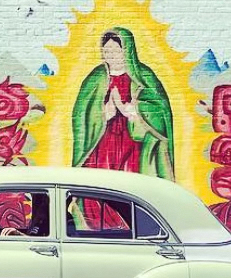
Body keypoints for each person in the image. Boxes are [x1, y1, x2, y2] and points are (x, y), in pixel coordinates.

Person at [71, 27, 175, 180]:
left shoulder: (143, 75)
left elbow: (161, 110)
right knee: (101, 179)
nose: (111, 56)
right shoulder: (96, 77)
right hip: (102, 140)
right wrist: (103, 113)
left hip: (133, 141)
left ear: (127, 50)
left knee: (130, 178)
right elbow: (80, 114)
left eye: (116, 51)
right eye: (107, 51)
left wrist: (135, 110)